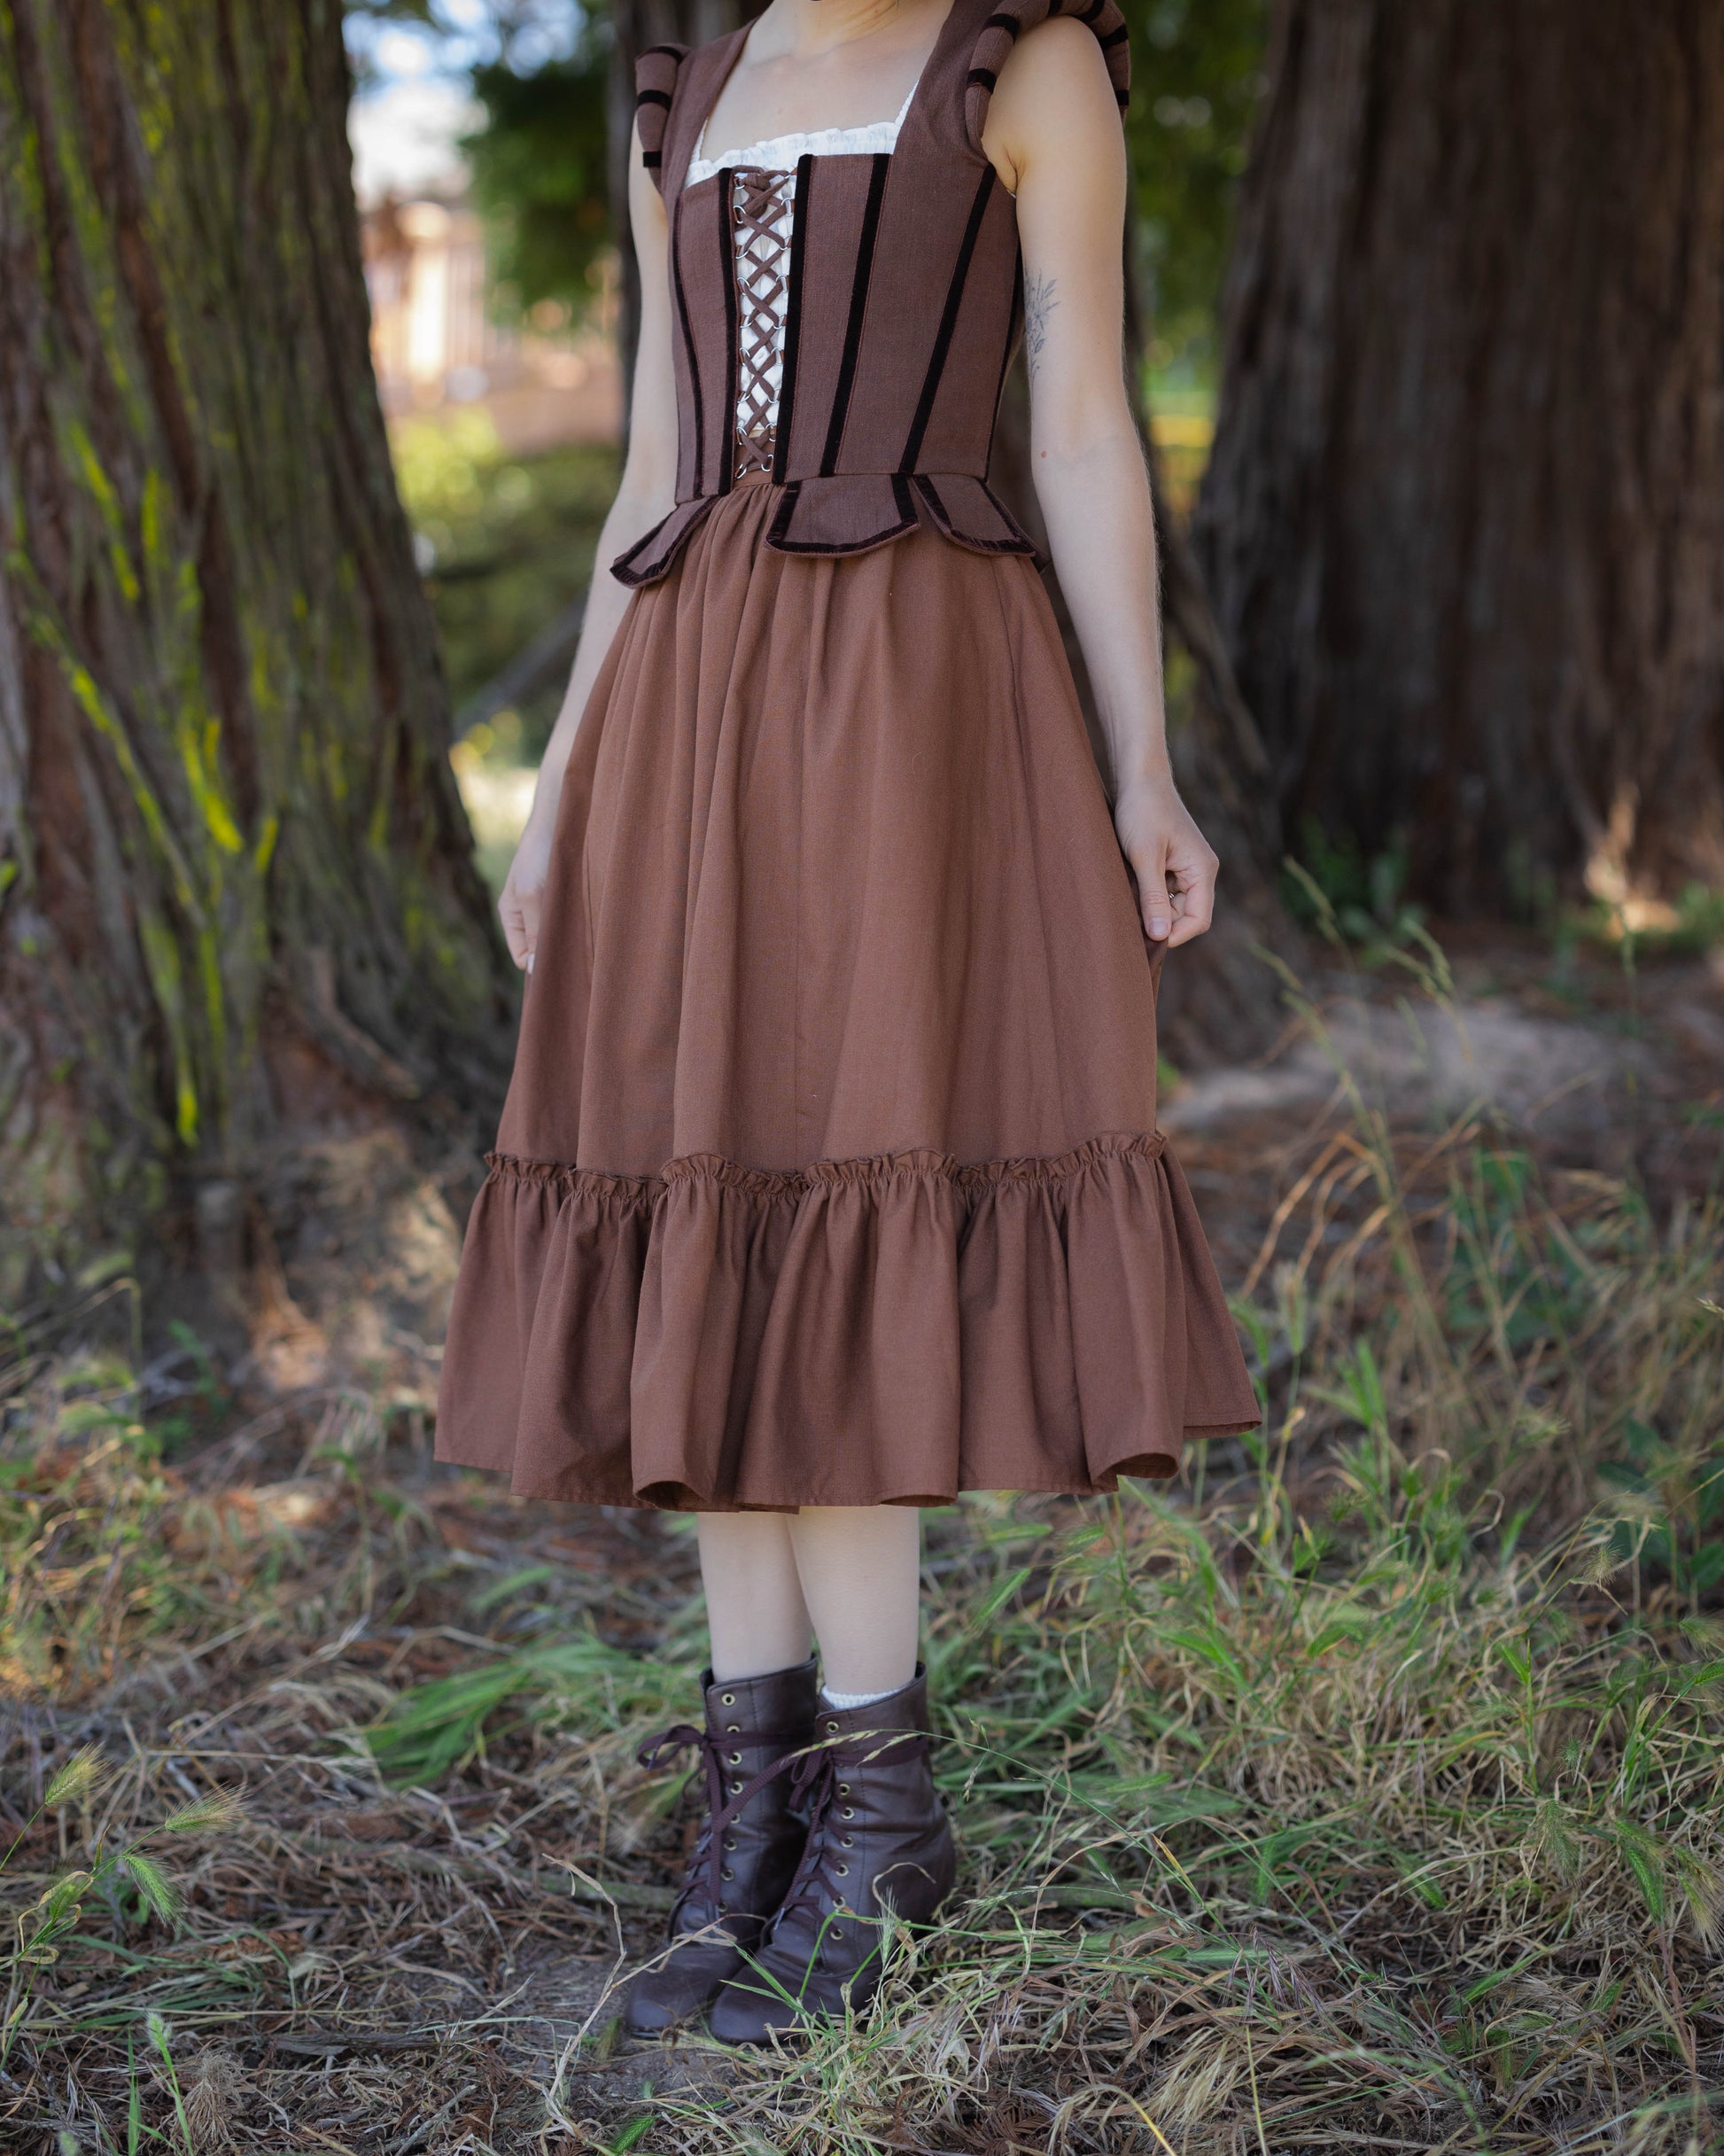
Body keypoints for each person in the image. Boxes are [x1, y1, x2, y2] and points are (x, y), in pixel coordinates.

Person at [434, 0, 1259, 2046]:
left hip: (910, 690)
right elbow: (655, 450)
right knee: (714, 1201)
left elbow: (1074, 423)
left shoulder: (1023, 61)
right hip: (696, 698)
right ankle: (764, 1808)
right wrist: (560, 783)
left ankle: (883, 1814)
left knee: (839, 1188)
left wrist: (1141, 767)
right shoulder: (686, 77)